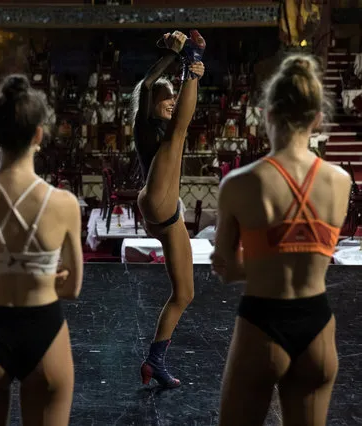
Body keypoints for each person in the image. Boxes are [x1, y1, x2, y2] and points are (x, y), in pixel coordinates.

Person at [211, 55, 348, 426]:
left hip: (262, 324)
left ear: (267, 114)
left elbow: (225, 268)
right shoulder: (340, 181)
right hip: (318, 328)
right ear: (317, 118)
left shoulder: (238, 184)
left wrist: (252, 264)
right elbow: (315, 253)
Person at [0, 74, 83, 426]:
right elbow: (72, 288)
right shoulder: (64, 204)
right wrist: (41, 277)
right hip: (45, 329)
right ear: (39, 134)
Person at [131, 30, 206, 388]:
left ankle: (155, 361)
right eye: (167, 98)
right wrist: (181, 61)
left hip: (162, 210)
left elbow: (161, 96)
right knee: (178, 131)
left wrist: (175, 60)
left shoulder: (159, 126)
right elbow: (147, 86)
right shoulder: (145, 126)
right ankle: (192, 64)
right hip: (158, 202)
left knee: (185, 293)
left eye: (174, 97)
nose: (171, 102)